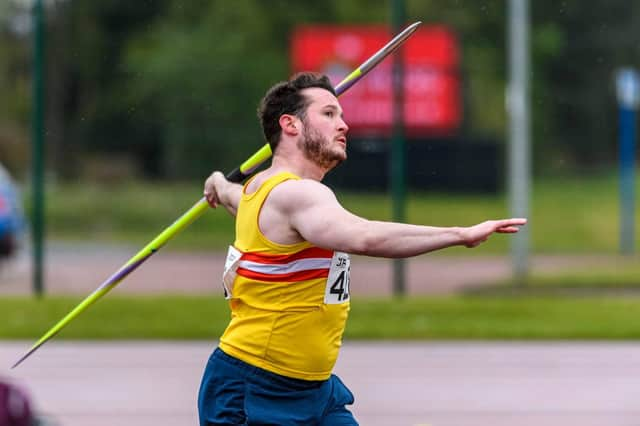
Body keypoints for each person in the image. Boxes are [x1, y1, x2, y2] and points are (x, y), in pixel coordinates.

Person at [199, 72, 527, 425]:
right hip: (256, 391)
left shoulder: (256, 189)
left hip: (313, 391)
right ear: (290, 125)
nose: (344, 125)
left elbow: (233, 196)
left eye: (341, 115)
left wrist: (218, 182)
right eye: (328, 114)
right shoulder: (297, 194)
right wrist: (459, 234)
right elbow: (365, 237)